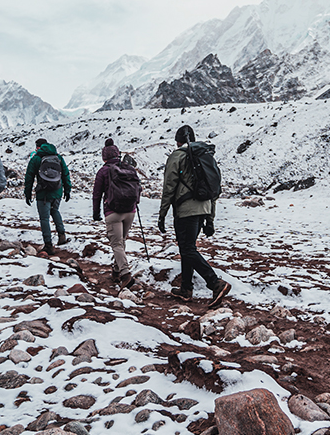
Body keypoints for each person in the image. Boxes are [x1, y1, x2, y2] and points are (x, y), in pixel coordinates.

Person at [158, 124, 231, 304]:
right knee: (188, 248)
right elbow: (214, 189)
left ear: (178, 141)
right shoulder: (205, 157)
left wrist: (162, 213)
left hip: (186, 210)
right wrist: (210, 219)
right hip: (204, 208)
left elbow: (169, 187)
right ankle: (186, 288)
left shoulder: (178, 156)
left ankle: (215, 283)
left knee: (187, 248)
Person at [92, 138, 142, 288]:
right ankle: (115, 271)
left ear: (104, 157)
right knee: (121, 241)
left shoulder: (103, 171)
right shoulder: (129, 168)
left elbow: (96, 194)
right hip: (130, 211)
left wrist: (96, 213)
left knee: (117, 244)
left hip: (113, 212)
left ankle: (125, 275)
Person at [24, 138, 71, 253]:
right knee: (55, 211)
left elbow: (29, 177)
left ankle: (49, 245)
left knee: (44, 218)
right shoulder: (58, 158)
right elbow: (65, 174)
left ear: (38, 147)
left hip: (43, 193)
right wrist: (67, 190)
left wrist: (28, 193)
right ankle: (62, 235)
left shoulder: (36, 159)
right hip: (57, 191)